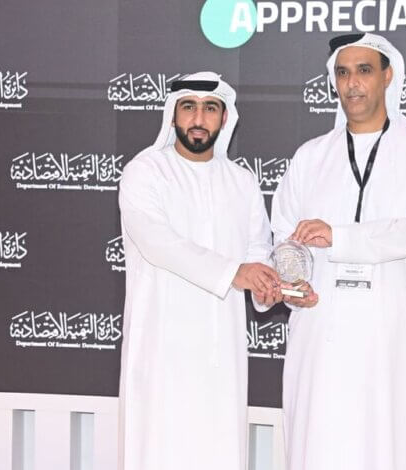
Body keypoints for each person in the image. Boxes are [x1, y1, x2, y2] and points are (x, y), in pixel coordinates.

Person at [271, 33, 406, 470]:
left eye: (364, 70)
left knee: (389, 447)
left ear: (388, 76)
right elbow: (284, 238)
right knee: (321, 446)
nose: (352, 83)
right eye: (343, 72)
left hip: (393, 337)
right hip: (322, 334)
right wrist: (293, 285)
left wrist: (339, 236)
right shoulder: (310, 157)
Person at [117, 71, 282, 470]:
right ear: (172, 115)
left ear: (224, 118)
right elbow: (157, 243)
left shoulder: (241, 182)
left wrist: (264, 287)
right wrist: (235, 273)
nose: (198, 118)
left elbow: (258, 251)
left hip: (219, 354)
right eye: (188, 107)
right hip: (161, 351)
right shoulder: (146, 171)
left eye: (210, 109)